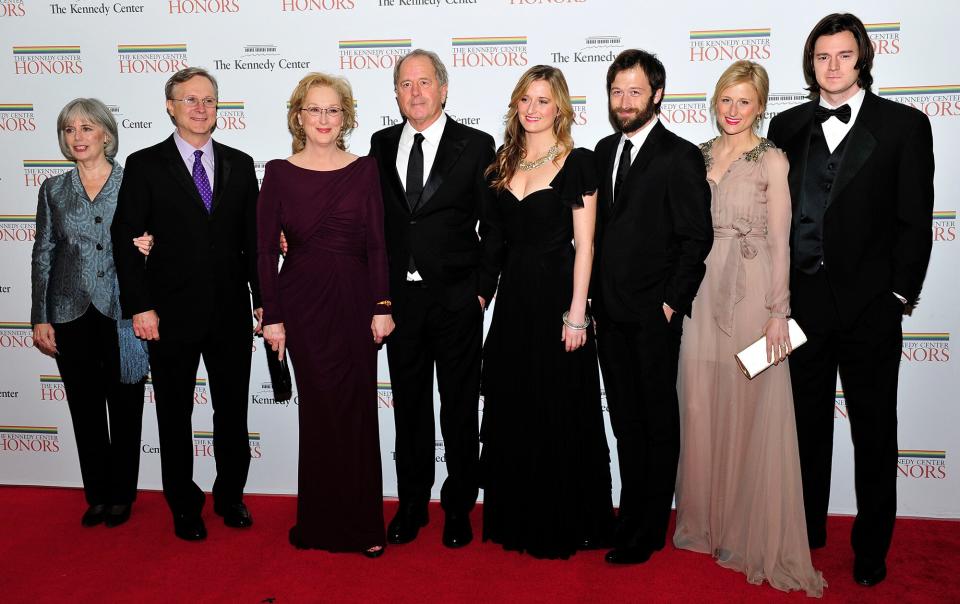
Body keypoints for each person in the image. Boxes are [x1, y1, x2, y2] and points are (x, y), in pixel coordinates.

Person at [767, 13, 934, 587]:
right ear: (809, 63)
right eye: (821, 57)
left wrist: (896, 295)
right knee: (804, 430)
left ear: (862, 58)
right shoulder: (786, 126)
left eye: (842, 55)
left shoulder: (903, 126)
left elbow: (915, 221)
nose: (832, 66)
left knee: (873, 432)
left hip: (869, 311)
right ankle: (807, 531)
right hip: (803, 309)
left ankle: (872, 548)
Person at [672, 61, 825, 597]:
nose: (732, 112)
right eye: (724, 101)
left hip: (755, 284)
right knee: (699, 401)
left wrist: (779, 310)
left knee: (748, 400)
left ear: (760, 105)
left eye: (743, 102)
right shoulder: (698, 155)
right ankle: (707, 525)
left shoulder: (773, 160)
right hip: (702, 281)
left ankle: (744, 529)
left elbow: (783, 240)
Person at [111, 67, 263, 541]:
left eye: (209, 100)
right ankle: (183, 502)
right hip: (168, 314)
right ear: (170, 106)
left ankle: (230, 495)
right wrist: (140, 306)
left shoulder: (240, 163)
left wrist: (264, 302)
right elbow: (125, 238)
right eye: (190, 99)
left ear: (218, 108)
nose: (200, 107)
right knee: (174, 415)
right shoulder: (144, 164)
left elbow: (253, 243)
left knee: (232, 411)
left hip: (229, 312)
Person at [479, 65, 614, 559]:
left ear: (559, 107)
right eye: (524, 100)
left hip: (559, 297)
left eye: (542, 100)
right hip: (514, 300)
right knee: (515, 402)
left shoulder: (578, 162)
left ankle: (565, 517)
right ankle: (518, 513)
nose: (532, 109)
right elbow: (492, 239)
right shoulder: (502, 161)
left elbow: (586, 245)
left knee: (560, 404)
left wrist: (578, 312)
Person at [368, 49, 502, 548]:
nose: (416, 92)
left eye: (425, 82)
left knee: (460, 408)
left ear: (444, 90)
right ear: (397, 93)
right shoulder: (380, 144)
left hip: (457, 300)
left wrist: (482, 292)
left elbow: (493, 226)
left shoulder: (476, 144)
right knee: (409, 410)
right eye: (406, 84)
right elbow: (373, 222)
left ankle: (459, 506)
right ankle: (410, 505)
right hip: (400, 305)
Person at [259, 73, 393, 558]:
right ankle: (317, 523)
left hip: (358, 302)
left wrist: (383, 305)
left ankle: (364, 527)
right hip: (303, 303)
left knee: (357, 412)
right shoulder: (277, 171)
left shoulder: (365, 170)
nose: (323, 119)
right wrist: (272, 315)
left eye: (332, 110)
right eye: (313, 109)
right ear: (298, 116)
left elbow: (378, 243)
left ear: (346, 117)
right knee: (319, 413)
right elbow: (262, 254)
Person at [592, 49, 713, 565]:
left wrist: (670, 305)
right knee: (624, 421)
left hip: (652, 317)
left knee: (656, 422)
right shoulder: (600, 151)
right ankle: (631, 511)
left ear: (657, 95)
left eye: (635, 92)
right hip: (609, 314)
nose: (624, 102)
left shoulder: (679, 156)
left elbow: (696, 240)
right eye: (617, 92)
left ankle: (649, 528)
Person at [31, 98, 151, 529]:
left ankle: (122, 495)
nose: (77, 137)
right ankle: (97, 494)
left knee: (125, 407)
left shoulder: (134, 182)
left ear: (106, 134)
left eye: (86, 128)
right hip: (69, 311)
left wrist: (152, 246)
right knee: (84, 408)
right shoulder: (53, 189)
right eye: (69, 130)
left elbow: (158, 238)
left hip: (123, 311)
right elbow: (42, 253)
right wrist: (39, 315)